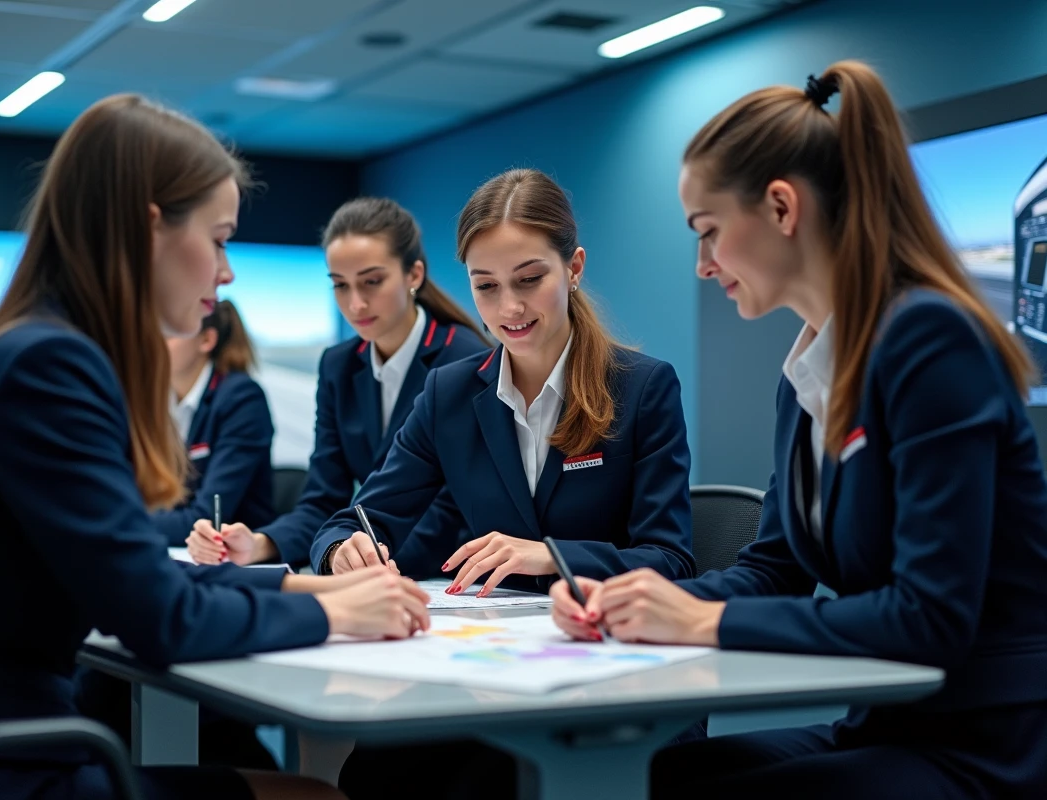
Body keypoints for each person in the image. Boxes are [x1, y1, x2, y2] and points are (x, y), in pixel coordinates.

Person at [0, 93, 430, 800]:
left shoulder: (42, 345)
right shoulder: (52, 368)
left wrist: (301, 583)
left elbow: (131, 572)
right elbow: (156, 616)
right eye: (219, 239)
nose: (225, 274)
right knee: (313, 795)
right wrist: (333, 613)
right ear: (149, 227)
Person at [550, 61, 1047, 799]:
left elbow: (929, 618)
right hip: (887, 724)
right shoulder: (810, 370)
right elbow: (774, 569)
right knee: (661, 776)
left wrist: (701, 625)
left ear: (782, 208)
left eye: (708, 232)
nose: (702, 265)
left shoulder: (928, 339)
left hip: (986, 744)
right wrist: (631, 596)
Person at [312, 169, 694, 594]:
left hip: (605, 635)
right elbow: (352, 520)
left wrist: (552, 554)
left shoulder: (643, 388)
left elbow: (670, 559)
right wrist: (341, 551)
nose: (509, 307)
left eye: (529, 279)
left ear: (574, 269)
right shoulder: (448, 393)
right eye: (487, 286)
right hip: (492, 638)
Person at [185, 197, 488, 575]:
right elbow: (323, 500)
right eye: (340, 286)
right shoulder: (338, 366)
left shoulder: (464, 360)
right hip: (379, 568)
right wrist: (259, 545)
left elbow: (450, 512)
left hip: (455, 576)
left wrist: (359, 557)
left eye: (372, 282)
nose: (356, 303)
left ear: (414, 275)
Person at [154, 299, 274, 546]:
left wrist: (121, 519)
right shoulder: (154, 399)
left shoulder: (241, 398)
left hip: (237, 561)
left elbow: (206, 520)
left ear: (206, 340)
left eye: (168, 335)